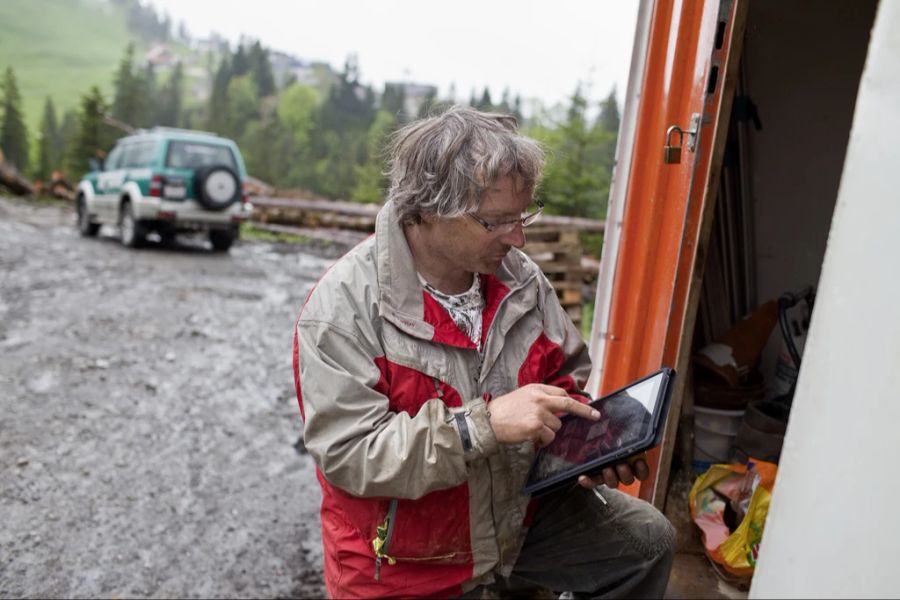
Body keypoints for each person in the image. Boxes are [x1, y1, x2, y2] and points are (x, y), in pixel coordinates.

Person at [293, 106, 676, 598]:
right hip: (407, 559)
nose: (517, 238)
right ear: (430, 209)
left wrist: (588, 448)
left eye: (522, 217)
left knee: (647, 543)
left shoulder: (521, 281)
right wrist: (483, 425)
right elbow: (351, 455)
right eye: (496, 221)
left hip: (516, 519)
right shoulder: (343, 307)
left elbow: (562, 378)